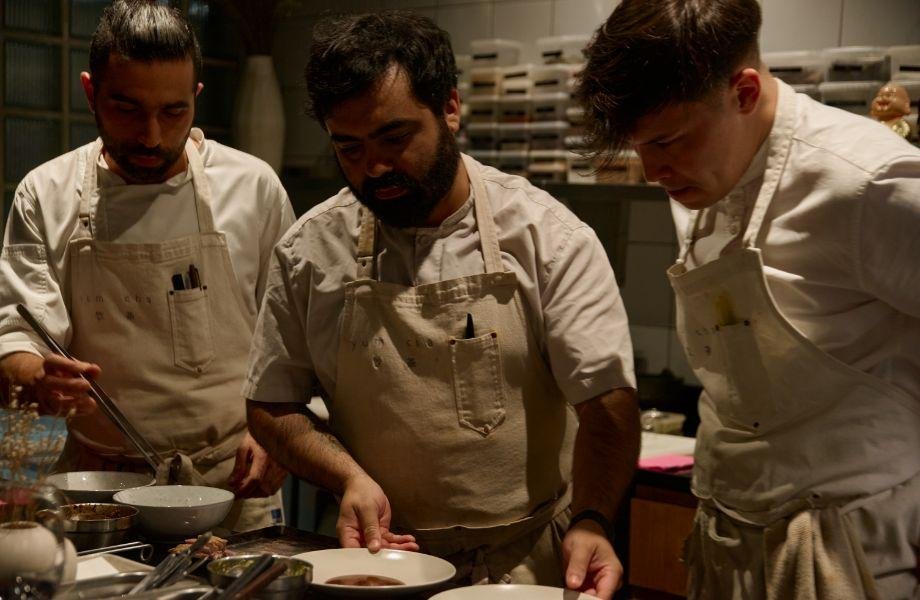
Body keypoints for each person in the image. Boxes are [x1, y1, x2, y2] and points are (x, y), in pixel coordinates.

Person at [244, 11, 639, 599]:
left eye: (394, 138)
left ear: (450, 107)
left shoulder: (545, 236)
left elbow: (607, 401)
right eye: (348, 148)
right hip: (375, 561)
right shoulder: (310, 251)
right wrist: (348, 476)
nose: (373, 168)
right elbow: (271, 405)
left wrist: (592, 520)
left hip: (523, 565)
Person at [576, 0, 920, 598]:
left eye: (668, 141)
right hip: (727, 534)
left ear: (744, 91)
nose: (653, 170)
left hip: (852, 553)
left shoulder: (866, 182)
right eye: (640, 147)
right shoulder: (701, 170)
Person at [0, 0, 295, 532]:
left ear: (195, 99)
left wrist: (280, 430)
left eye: (173, 112)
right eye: (127, 109)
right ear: (91, 92)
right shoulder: (45, 194)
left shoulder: (252, 188)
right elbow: (17, 333)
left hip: (233, 485)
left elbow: (294, 337)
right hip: (101, 491)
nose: (151, 136)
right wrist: (37, 376)